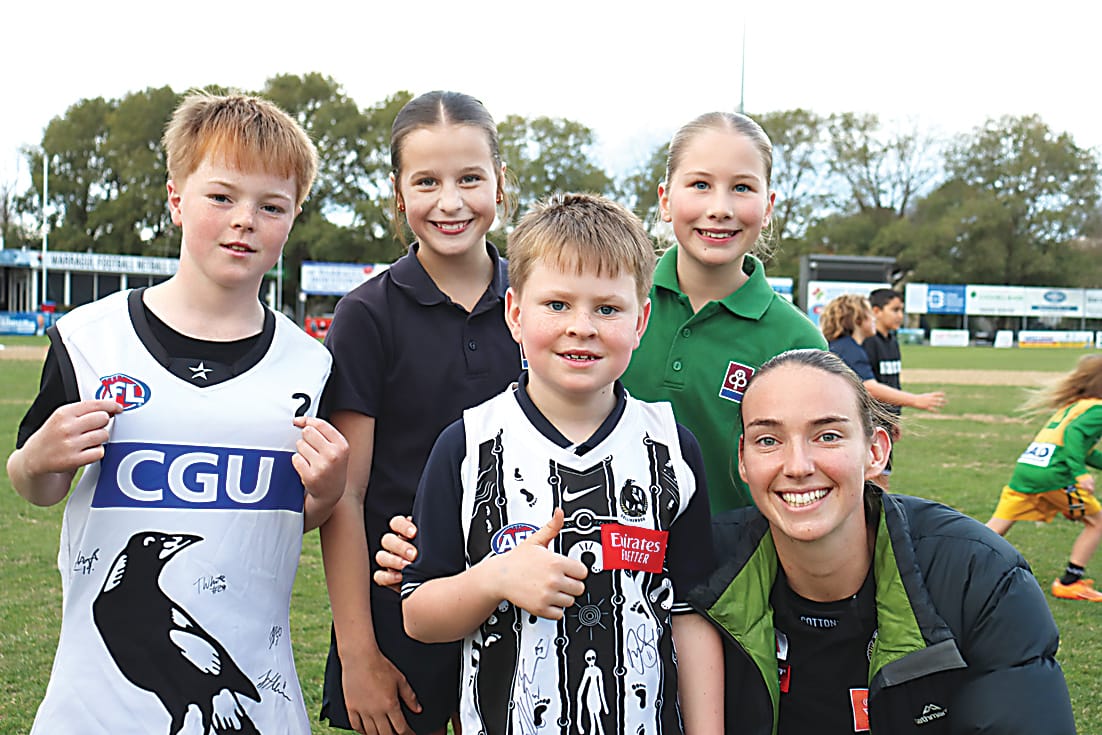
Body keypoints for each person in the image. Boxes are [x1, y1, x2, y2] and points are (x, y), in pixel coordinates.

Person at [7, 91, 349, 734]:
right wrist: (35, 458)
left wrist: (327, 493)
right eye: (221, 197)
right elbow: (36, 484)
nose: (244, 219)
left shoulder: (312, 367)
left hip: (256, 699)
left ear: (293, 216)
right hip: (95, 707)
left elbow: (290, 517)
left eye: (270, 206)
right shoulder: (91, 339)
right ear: (176, 199)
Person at [401, 193, 723, 734]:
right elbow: (419, 615)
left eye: (607, 308)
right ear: (514, 314)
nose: (582, 326)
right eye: (557, 305)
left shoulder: (672, 447)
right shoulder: (468, 444)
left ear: (640, 320)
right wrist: (495, 578)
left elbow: (692, 612)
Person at [690, 348, 1075, 734]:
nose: (797, 466)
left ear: (875, 451)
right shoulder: (703, 568)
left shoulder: (979, 575)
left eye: (827, 435)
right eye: (768, 440)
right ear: (743, 459)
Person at [318, 90, 521, 735]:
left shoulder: (542, 303)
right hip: (400, 613)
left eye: (470, 178)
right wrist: (358, 655)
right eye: (427, 181)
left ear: (500, 182)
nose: (451, 201)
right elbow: (345, 497)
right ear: (398, 193)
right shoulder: (366, 315)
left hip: (526, 609)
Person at [620, 111, 827, 513]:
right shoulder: (614, 306)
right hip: (605, 558)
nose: (720, 208)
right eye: (700, 184)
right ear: (665, 200)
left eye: (742, 188)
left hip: (736, 564)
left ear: (767, 208)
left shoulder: (797, 341)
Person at [986, 353, 1102, 602]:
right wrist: (1080, 474)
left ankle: (957, 559)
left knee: (995, 529)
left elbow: (1082, 448)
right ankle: (1070, 581)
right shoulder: (1097, 409)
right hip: (1054, 476)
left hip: (1028, 469)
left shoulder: (1074, 405)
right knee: (1097, 522)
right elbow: (1073, 436)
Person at [821, 293, 945, 488]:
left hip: (871, 424)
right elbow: (868, 388)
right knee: (875, 488)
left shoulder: (852, 347)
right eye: (870, 315)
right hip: (856, 428)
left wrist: (888, 418)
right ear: (858, 320)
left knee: (875, 484)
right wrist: (915, 400)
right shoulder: (849, 350)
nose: (874, 319)